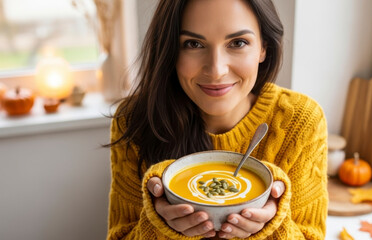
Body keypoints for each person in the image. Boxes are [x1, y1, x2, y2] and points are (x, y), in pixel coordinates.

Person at [106, 0, 328, 239]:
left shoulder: (301, 121)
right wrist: (158, 226)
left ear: (264, 47)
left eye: (238, 43)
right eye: (193, 44)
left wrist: (273, 226)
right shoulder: (133, 121)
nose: (216, 70)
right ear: (170, 49)